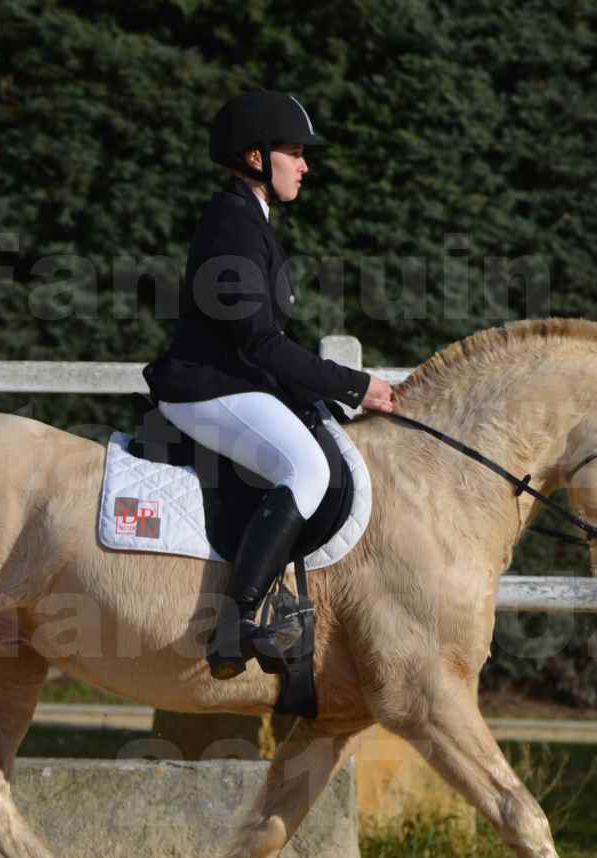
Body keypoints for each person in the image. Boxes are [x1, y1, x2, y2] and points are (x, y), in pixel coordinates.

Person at [143, 89, 394, 680]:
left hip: (232, 381)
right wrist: (354, 385)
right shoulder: (233, 221)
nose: (305, 165)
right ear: (258, 158)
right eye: (295, 152)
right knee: (306, 469)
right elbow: (260, 341)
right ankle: (237, 622)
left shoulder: (249, 217)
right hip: (205, 387)